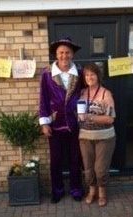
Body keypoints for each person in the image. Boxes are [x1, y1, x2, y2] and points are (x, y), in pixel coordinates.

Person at [39, 37, 84, 203]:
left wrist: (83, 114)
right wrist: (44, 123)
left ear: (72, 54)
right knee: (56, 160)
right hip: (55, 123)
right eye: (61, 52)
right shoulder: (47, 74)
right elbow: (43, 99)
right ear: (56, 55)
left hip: (74, 123)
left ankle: (76, 189)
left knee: (75, 159)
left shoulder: (80, 72)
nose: (64, 55)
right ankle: (57, 191)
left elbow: (85, 95)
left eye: (67, 52)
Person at [77, 63, 116, 207]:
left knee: (100, 169)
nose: (89, 77)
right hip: (85, 137)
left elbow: (110, 118)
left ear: (98, 76)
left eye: (92, 74)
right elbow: (78, 114)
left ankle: (102, 193)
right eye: (86, 75)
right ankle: (92, 191)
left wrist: (89, 117)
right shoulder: (81, 93)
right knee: (88, 168)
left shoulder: (106, 93)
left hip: (104, 137)